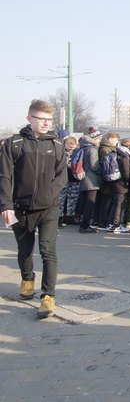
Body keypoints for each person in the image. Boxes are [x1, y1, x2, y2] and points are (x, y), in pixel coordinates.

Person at [0, 99, 68, 318]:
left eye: (49, 120)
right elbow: (5, 176)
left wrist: (49, 194)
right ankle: (27, 279)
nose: (46, 123)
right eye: (41, 119)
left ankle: (48, 296)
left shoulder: (57, 145)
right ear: (30, 119)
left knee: (48, 251)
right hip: (20, 208)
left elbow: (62, 176)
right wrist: (6, 205)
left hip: (48, 208)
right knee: (24, 249)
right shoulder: (14, 144)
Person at [77, 127, 103, 233]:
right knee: (90, 203)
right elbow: (94, 165)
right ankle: (85, 225)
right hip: (91, 180)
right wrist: (102, 170)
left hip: (84, 178)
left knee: (84, 202)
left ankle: (82, 222)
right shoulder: (92, 149)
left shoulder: (84, 147)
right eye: (99, 138)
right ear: (95, 138)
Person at [58, 135, 80, 227]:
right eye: (69, 146)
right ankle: (59, 219)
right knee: (60, 199)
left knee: (73, 199)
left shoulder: (77, 152)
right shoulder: (60, 151)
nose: (71, 148)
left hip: (74, 178)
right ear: (65, 144)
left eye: (73, 147)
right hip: (62, 178)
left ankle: (70, 217)